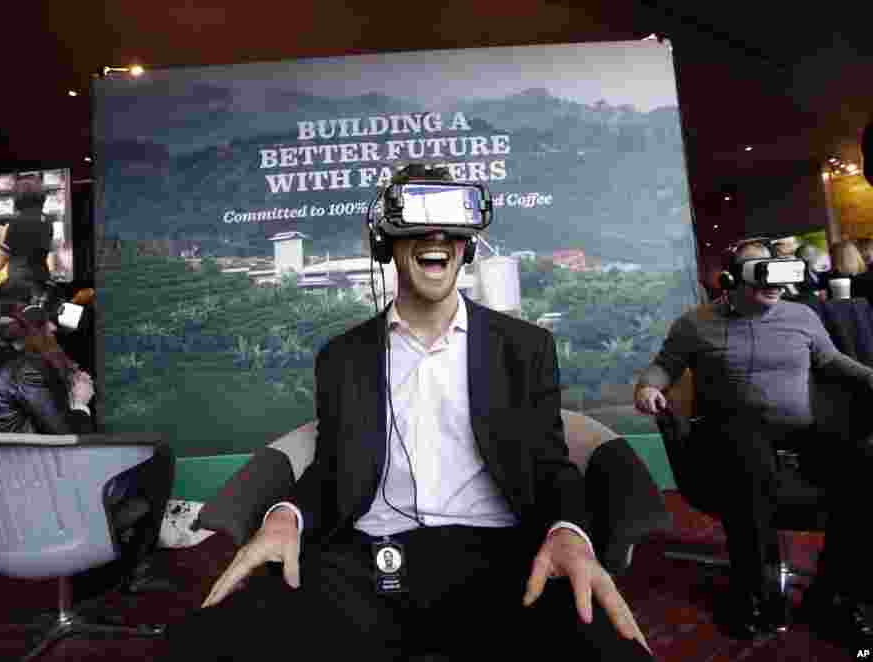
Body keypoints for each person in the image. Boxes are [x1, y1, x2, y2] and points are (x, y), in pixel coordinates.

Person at [175, 164, 652, 661]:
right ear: (385, 241)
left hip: (501, 560)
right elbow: (331, 470)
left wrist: (568, 532)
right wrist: (284, 516)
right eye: (420, 219)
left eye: (451, 222)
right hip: (366, 560)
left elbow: (552, 467)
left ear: (467, 243)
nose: (438, 236)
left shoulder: (525, 348)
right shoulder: (342, 357)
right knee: (204, 646)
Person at [633, 239, 873, 647]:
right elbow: (664, 365)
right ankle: (755, 595)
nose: (775, 284)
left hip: (801, 430)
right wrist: (647, 387)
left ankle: (835, 595)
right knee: (748, 461)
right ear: (731, 280)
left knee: (865, 468)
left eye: (780, 273)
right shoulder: (696, 323)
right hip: (731, 436)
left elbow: (831, 360)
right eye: (762, 273)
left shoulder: (801, 316)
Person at [0, 289, 176, 597]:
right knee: (158, 456)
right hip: (47, 497)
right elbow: (70, 441)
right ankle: (132, 572)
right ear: (27, 331)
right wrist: (80, 403)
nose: (52, 330)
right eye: (45, 325)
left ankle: (98, 567)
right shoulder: (26, 369)